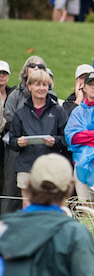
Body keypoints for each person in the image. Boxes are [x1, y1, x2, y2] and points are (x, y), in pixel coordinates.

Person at [8, 69, 68, 205]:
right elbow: (12, 141)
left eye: (44, 85)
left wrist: (55, 141)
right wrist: (18, 142)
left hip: (51, 166)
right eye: (38, 84)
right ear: (29, 87)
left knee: (51, 205)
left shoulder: (58, 110)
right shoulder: (20, 112)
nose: (41, 88)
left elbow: (66, 139)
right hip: (26, 165)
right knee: (28, 206)